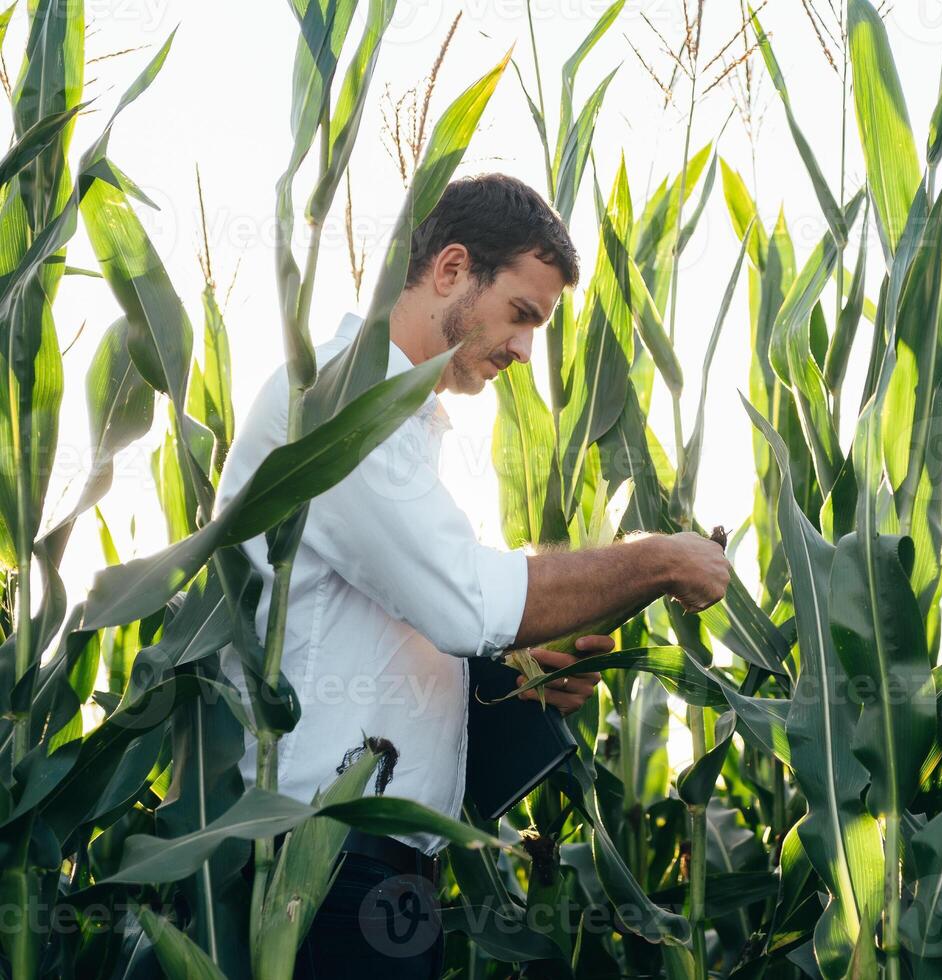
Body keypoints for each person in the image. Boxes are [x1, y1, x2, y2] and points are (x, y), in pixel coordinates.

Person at [215, 173, 730, 977]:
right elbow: (466, 602)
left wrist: (504, 674)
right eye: (523, 315)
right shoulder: (339, 408)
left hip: (387, 866)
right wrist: (657, 560)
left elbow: (420, 616)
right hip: (315, 865)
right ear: (451, 270)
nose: (526, 350)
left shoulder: (420, 433)